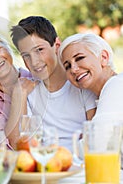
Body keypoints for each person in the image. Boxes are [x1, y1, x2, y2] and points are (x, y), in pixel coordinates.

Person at [10, 16, 97, 151]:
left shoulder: (82, 84)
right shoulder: (28, 92)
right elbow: (19, 145)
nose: (34, 62)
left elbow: (95, 140)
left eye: (39, 50)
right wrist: (19, 96)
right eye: (26, 55)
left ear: (57, 46)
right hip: (47, 165)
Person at [58, 33, 123, 120]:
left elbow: (101, 132)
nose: (73, 69)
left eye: (79, 58)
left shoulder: (116, 86)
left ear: (103, 57)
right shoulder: (101, 94)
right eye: (68, 66)